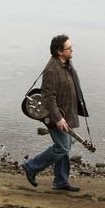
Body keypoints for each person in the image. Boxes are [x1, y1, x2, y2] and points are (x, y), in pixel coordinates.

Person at [21, 34, 89, 192]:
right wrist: (58, 118)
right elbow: (47, 97)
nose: (72, 50)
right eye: (69, 48)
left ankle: (60, 181)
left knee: (64, 145)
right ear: (60, 52)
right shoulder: (52, 69)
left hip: (67, 113)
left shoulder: (66, 64)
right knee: (63, 147)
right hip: (55, 116)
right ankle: (31, 166)